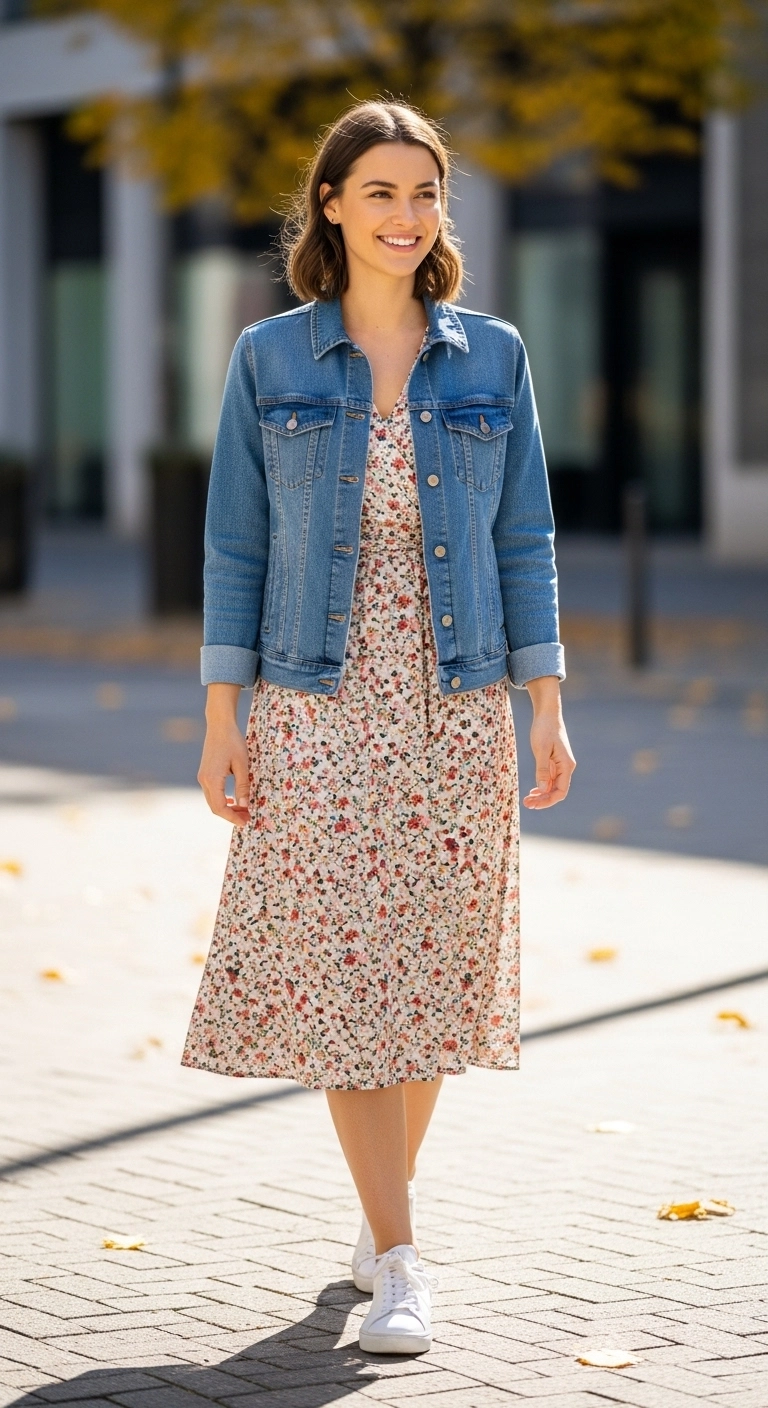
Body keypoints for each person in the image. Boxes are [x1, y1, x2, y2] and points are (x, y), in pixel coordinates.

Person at [183, 99, 575, 1357]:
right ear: (333, 207)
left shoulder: (493, 355)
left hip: (457, 705)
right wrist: (221, 716)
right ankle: (401, 1256)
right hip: (318, 703)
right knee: (352, 980)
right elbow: (236, 543)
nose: (407, 218)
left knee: (439, 977)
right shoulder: (272, 358)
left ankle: (376, 1208)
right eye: (381, 193)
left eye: (425, 195)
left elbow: (525, 536)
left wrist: (547, 704)